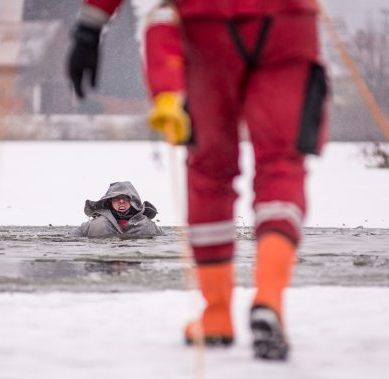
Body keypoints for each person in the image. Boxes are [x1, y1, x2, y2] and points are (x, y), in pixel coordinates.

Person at [66, 0, 328, 360]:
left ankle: (217, 314)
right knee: (282, 167)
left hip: (206, 25)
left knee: (209, 173)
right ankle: (269, 298)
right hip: (286, 23)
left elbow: (159, 20)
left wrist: (90, 25)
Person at [72, 181, 164, 238]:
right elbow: (69, 238)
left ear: (133, 202)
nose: (121, 201)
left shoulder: (148, 225)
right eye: (116, 198)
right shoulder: (92, 225)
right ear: (110, 201)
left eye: (125, 198)